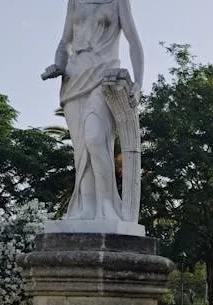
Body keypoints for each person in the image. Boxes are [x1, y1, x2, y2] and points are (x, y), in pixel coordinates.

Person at [42, 0, 144, 223]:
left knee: (95, 139)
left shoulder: (118, 1)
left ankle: (107, 207)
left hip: (104, 77)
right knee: (81, 151)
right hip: (73, 79)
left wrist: (138, 83)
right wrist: (58, 64)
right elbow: (64, 42)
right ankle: (86, 208)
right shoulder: (74, 1)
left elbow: (133, 40)